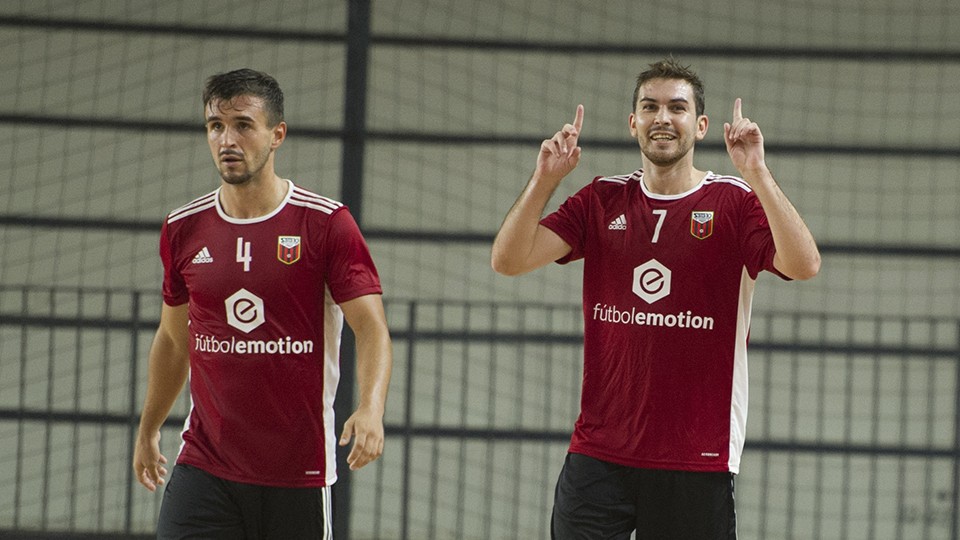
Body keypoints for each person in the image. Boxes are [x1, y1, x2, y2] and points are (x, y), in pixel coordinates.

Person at [491, 58, 820, 539]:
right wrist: (545, 179)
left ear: (701, 125)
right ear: (633, 123)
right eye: (650, 107)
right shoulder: (601, 199)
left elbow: (804, 264)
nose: (662, 118)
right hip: (599, 453)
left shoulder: (732, 202)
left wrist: (758, 173)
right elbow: (509, 260)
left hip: (695, 458)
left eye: (677, 108)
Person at [132, 68, 393, 539]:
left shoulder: (326, 224)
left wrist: (371, 407)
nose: (227, 140)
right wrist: (148, 428)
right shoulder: (183, 229)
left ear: (277, 135)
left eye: (243, 125)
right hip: (205, 466)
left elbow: (371, 328)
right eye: (216, 126)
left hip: (296, 473)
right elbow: (174, 341)